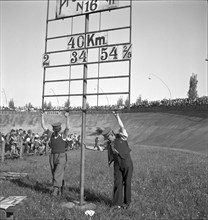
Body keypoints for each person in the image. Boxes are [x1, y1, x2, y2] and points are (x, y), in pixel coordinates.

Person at [86, 111, 133, 209]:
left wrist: (117, 116)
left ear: (112, 134)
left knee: (127, 182)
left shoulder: (122, 136)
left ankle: (127, 203)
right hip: (117, 164)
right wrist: (86, 147)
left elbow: (122, 127)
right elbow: (100, 149)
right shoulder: (109, 143)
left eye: (108, 137)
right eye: (106, 137)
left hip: (127, 162)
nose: (108, 139)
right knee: (117, 183)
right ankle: (117, 204)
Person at [41, 111, 70, 196]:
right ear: (53, 129)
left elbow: (67, 128)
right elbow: (43, 126)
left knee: (58, 172)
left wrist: (67, 117)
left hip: (61, 156)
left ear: (60, 129)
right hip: (52, 156)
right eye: (55, 129)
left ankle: (55, 190)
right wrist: (42, 116)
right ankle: (60, 188)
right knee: (54, 172)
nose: (56, 131)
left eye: (57, 129)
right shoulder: (51, 134)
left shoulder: (63, 135)